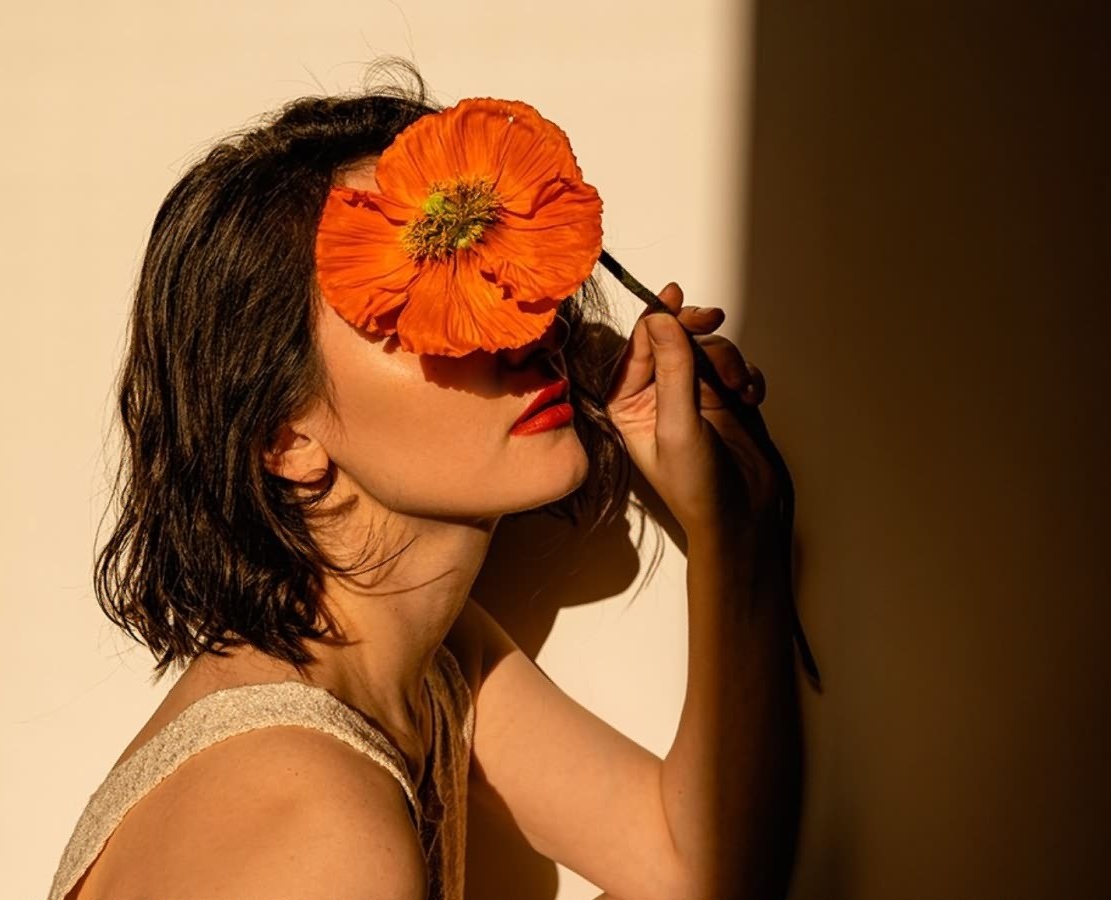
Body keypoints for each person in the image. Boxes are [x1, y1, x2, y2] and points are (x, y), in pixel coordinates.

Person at [47, 59, 802, 900]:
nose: (526, 330)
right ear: (282, 438)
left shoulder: (422, 670)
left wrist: (738, 524)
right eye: (425, 301)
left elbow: (693, 867)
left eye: (498, 263)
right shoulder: (317, 822)